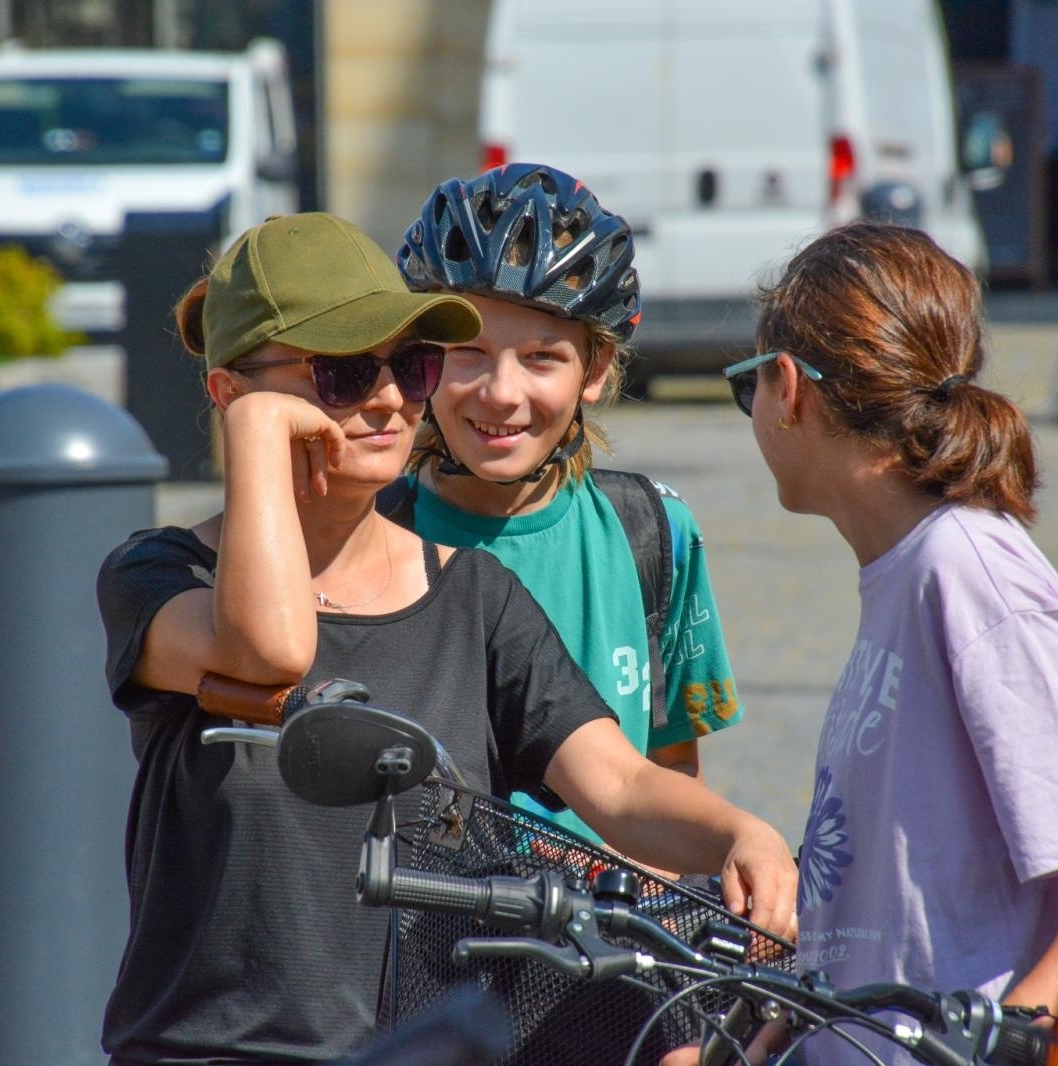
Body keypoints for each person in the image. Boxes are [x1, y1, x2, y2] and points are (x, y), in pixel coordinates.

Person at [94, 211, 798, 1064]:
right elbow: (270, 649)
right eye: (344, 371)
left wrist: (741, 836)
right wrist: (253, 441)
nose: (390, 398)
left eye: (411, 364)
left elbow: (617, 786)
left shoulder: (473, 594)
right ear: (232, 392)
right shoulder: (160, 577)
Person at [717, 222, 1058, 1063]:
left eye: (745, 384)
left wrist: (1011, 1036)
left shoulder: (967, 566)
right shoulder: (902, 569)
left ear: (788, 388)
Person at [390, 163, 744, 849]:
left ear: (598, 370)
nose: (502, 392)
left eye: (542, 357)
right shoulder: (364, 532)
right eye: (469, 352)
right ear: (421, 359)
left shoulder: (654, 535)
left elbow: (673, 767)